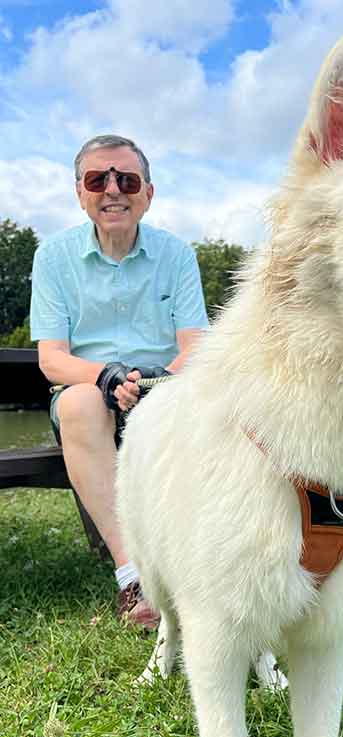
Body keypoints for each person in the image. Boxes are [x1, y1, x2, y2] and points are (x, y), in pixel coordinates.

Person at [30, 134, 209, 628]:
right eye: (97, 179)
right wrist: (105, 378)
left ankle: (206, 568)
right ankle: (134, 579)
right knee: (79, 403)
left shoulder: (177, 254)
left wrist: (158, 380)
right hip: (88, 392)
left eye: (127, 180)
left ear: (148, 194)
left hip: (164, 391)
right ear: (79, 192)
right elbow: (52, 360)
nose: (113, 190)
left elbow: (195, 346)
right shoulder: (53, 256)